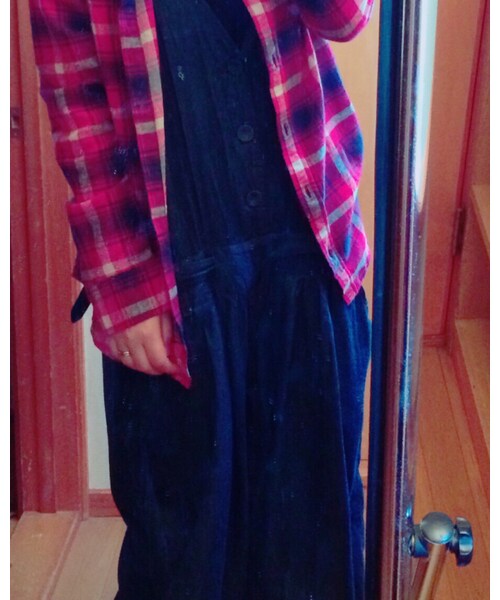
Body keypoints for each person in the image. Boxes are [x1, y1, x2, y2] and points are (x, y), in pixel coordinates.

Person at [29, 0, 374, 597]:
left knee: (314, 530)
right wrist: (122, 286)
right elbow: (78, 110)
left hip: (306, 242)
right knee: (184, 549)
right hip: (167, 279)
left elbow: (347, 18)